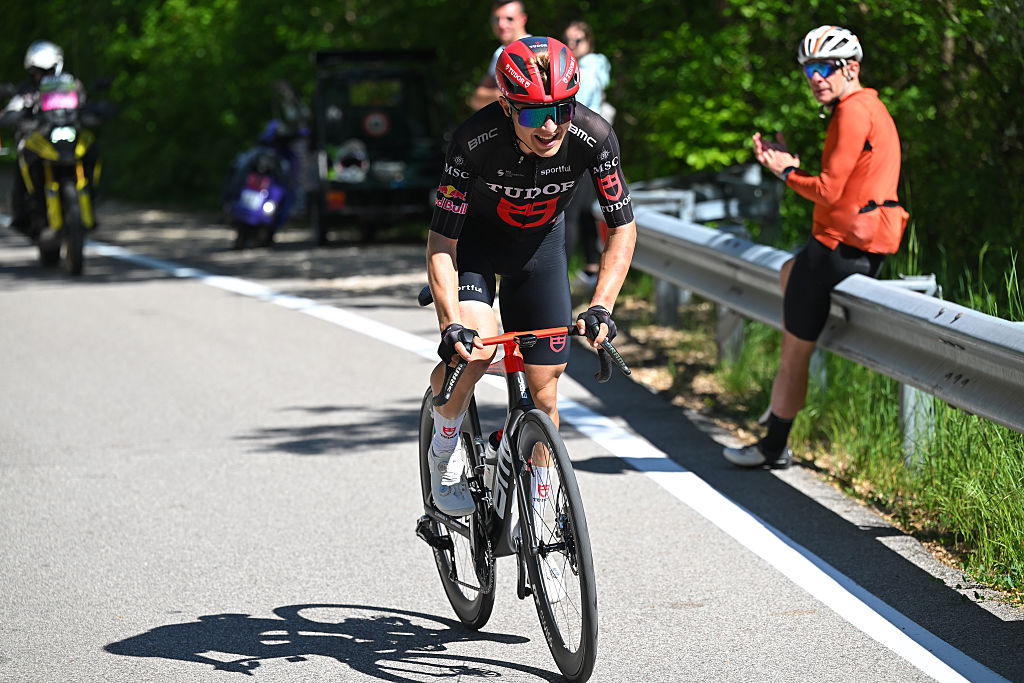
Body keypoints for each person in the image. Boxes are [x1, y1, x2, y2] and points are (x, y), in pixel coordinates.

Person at [426, 36, 637, 519]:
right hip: (475, 245)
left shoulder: (594, 136)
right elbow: (442, 244)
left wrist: (602, 305)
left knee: (545, 387)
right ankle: (445, 442)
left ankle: (542, 500)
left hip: (540, 247)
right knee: (475, 352)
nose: (548, 126)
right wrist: (448, 325)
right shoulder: (473, 141)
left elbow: (622, 227)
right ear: (505, 105)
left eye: (561, 110)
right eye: (531, 114)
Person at [724, 25, 909, 469]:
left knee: (793, 353)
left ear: (851, 68)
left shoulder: (850, 112)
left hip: (837, 250)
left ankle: (773, 445)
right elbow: (849, 186)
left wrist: (785, 172)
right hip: (866, 246)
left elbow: (827, 191)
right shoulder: (871, 107)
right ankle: (777, 413)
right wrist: (792, 166)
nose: (815, 77)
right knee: (790, 271)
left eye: (825, 67)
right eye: (809, 68)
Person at [0, 40, 76, 238]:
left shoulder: (69, 85)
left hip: (62, 137)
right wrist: (12, 115)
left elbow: (82, 101)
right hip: (35, 141)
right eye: (37, 71)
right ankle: (24, 213)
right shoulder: (25, 91)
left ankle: (88, 195)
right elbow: (12, 108)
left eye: (46, 70)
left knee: (90, 146)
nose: (41, 76)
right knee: (23, 160)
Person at [561, 20, 611, 290]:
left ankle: (558, 276)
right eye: (567, 40)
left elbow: (576, 106)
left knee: (568, 213)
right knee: (582, 211)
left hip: (580, 147)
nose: (571, 46)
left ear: (588, 41)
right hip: (594, 147)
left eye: (576, 41)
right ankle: (592, 267)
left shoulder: (587, 71)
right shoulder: (595, 67)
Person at [468, 0, 529, 110]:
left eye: (509, 18)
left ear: (523, 19)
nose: (501, 24)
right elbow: (476, 99)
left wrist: (500, 94)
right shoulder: (499, 52)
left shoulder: (534, 50)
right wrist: (506, 93)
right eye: (496, 19)